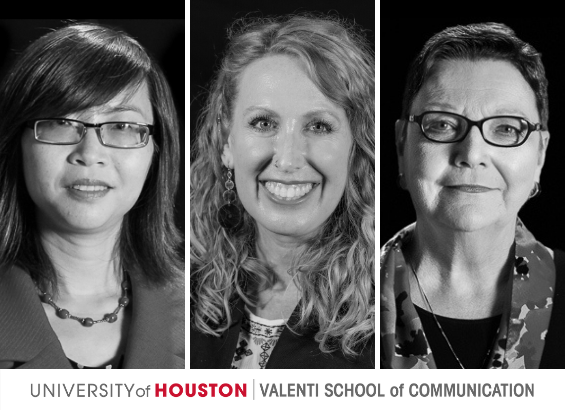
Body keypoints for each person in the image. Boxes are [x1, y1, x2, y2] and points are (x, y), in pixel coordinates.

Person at [190, 14, 375, 369]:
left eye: (319, 126)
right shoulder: (185, 289)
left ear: (356, 149)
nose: (288, 159)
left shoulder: (388, 306)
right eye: (263, 123)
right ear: (227, 142)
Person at [380, 22, 565, 369]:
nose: (472, 152)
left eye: (507, 128)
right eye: (443, 124)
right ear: (402, 144)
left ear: (539, 155)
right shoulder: (339, 302)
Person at [0, 23, 185, 369]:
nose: (90, 153)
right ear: (17, 144)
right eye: (61, 122)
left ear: (156, 152)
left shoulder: (203, 314)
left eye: (122, 126)